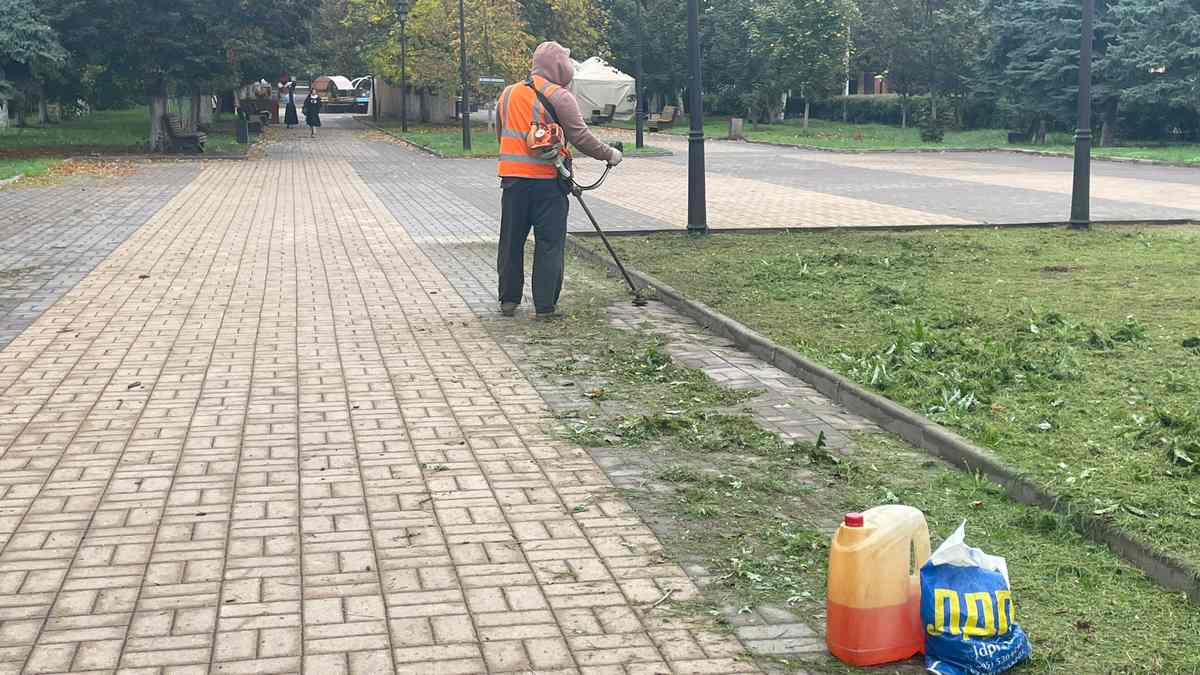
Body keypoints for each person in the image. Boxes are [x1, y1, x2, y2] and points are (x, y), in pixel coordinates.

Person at [495, 41, 622, 319]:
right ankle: (545, 306)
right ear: (559, 67)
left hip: (513, 183)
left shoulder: (508, 93)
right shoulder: (560, 96)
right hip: (548, 183)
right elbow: (581, 137)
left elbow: (500, 132)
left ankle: (508, 300)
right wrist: (609, 155)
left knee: (511, 242)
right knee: (549, 244)